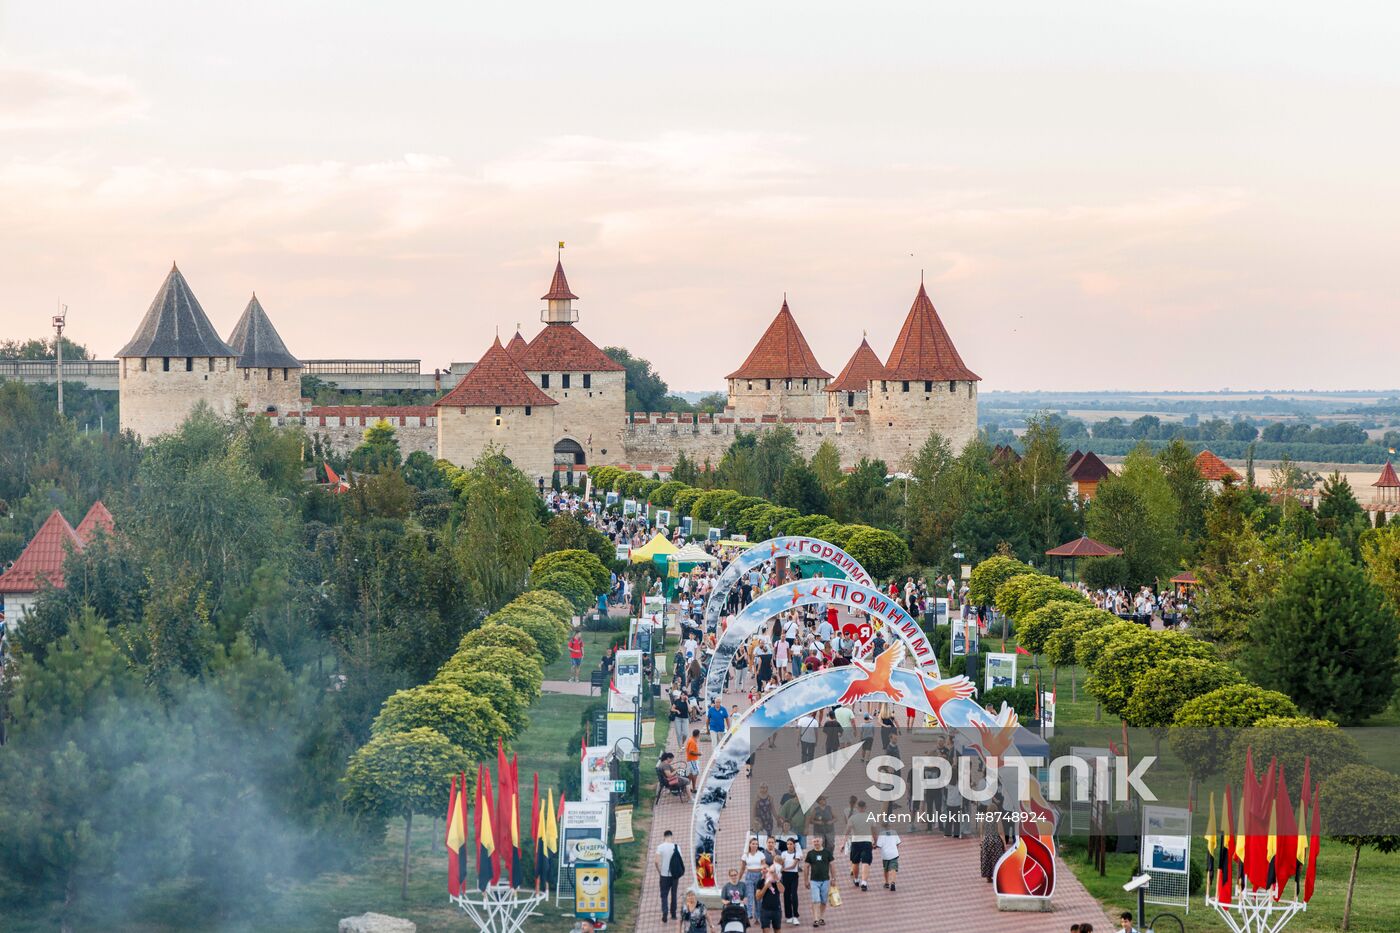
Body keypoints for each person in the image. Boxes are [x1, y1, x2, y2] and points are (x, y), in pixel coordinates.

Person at [803, 833, 832, 928]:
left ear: (822, 841)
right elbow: (806, 867)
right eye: (814, 841)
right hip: (814, 881)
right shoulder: (810, 854)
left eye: (818, 841)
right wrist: (806, 880)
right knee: (816, 900)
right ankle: (815, 919)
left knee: (823, 901)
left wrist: (834, 878)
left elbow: (832, 865)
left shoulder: (827, 853)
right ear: (812, 842)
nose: (816, 843)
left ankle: (820, 917)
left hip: (825, 880)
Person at [845, 799, 873, 890]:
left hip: (855, 841)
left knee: (855, 862)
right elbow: (874, 831)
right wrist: (875, 841)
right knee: (866, 862)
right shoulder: (870, 817)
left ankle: (856, 880)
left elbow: (847, 831)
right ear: (865, 807)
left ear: (857, 808)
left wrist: (843, 842)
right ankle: (864, 882)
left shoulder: (852, 818)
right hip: (867, 841)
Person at [656, 829, 682, 922]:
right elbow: (680, 861)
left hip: (664, 875)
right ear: (671, 836)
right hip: (674, 875)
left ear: (664, 837)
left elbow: (656, 861)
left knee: (664, 894)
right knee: (674, 894)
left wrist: (659, 871)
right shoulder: (677, 847)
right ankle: (673, 914)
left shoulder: (660, 847)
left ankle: (665, 912)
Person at [740, 836, 767, 920]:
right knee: (750, 895)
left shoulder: (761, 854)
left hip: (759, 876)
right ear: (750, 845)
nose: (755, 845)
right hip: (749, 876)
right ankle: (749, 913)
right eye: (753, 844)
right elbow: (742, 868)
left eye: (756, 844)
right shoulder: (745, 855)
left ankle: (758, 915)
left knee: (758, 897)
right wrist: (738, 879)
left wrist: (764, 876)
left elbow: (764, 866)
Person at [779, 835, 802, 925]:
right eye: (788, 844)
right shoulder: (783, 853)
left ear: (794, 845)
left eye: (791, 844)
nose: (789, 845)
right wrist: (782, 866)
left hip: (793, 876)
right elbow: (782, 863)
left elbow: (793, 866)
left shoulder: (797, 854)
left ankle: (795, 916)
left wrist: (784, 869)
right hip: (785, 876)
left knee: (794, 895)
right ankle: (788, 916)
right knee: (786, 895)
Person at [756, 865, 785, 932]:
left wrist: (777, 880)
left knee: (777, 930)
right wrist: (766, 886)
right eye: (762, 869)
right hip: (765, 910)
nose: (763, 870)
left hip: (777, 910)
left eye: (765, 868)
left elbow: (782, 891)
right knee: (765, 931)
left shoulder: (777, 880)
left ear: (769, 869)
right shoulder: (760, 882)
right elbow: (758, 897)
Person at [876, 827, 900, 891]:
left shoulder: (881, 834)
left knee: (885, 869)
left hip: (885, 855)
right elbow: (898, 843)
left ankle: (887, 882)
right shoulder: (894, 832)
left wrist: (873, 846)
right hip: (894, 854)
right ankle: (893, 883)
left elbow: (878, 845)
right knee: (893, 868)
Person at [686, 729, 703, 793]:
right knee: (695, 773)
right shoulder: (692, 742)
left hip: (690, 760)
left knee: (689, 774)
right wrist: (699, 753)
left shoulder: (691, 739)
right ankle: (694, 788)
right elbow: (691, 752)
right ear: (698, 735)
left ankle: (687, 787)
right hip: (692, 760)